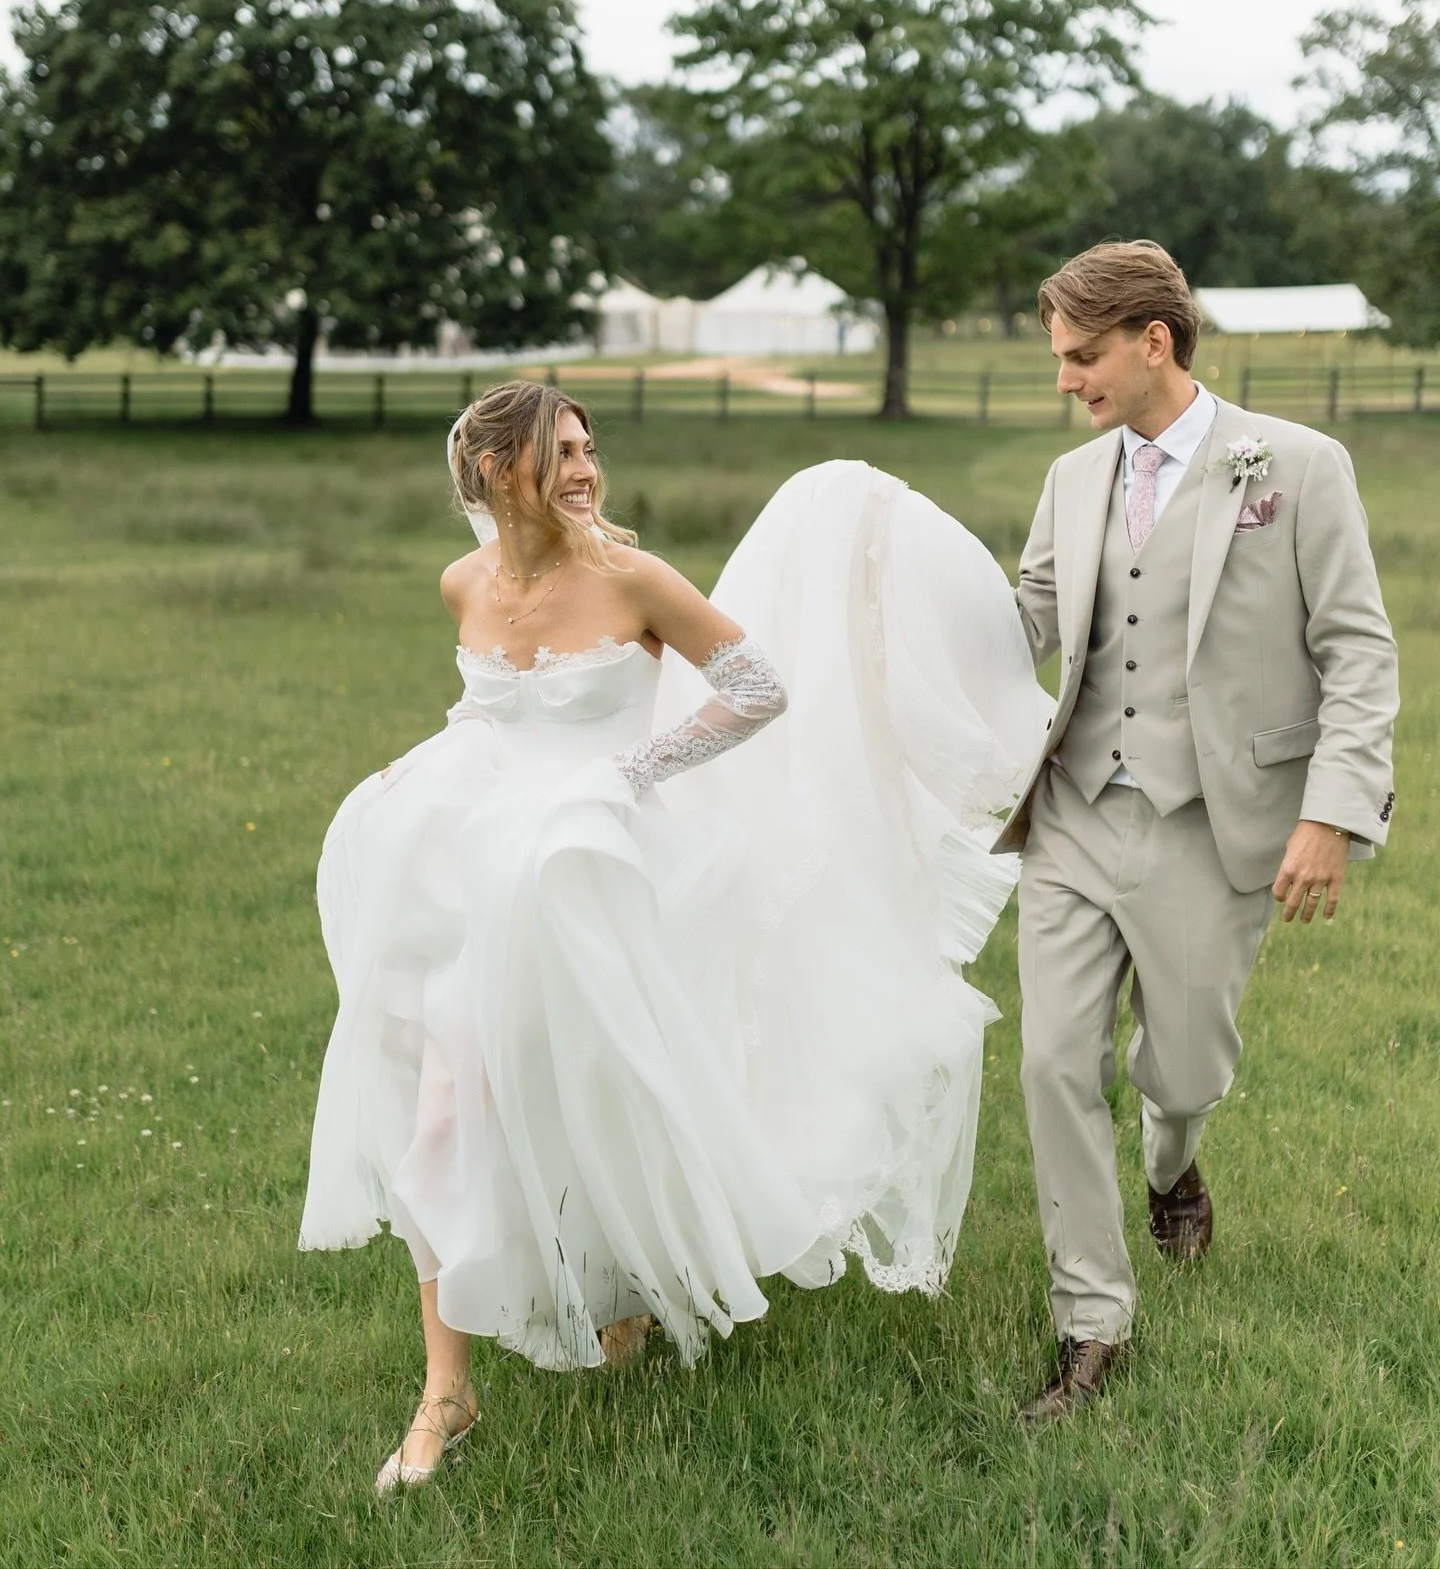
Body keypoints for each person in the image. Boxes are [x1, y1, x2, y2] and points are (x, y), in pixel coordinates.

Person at [299, 379, 1050, 1495]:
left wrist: (626, 774)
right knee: (443, 1096)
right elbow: (488, 708)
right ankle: (445, 1385)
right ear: (500, 470)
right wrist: (428, 759)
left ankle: (626, 1290)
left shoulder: (632, 578)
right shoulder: (462, 581)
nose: (589, 467)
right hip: (472, 859)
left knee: (597, 1086)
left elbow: (756, 687)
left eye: (591, 446)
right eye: (564, 450)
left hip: (598, 859)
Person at [994, 240, 1399, 1426]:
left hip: (1211, 818)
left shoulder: (1298, 467)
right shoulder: (1072, 478)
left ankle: (1173, 1159)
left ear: (1152, 341)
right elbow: (1023, 616)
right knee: (1055, 1061)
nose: (1067, 379)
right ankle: (1091, 1322)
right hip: (1070, 809)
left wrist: (1331, 809)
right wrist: (890, 605)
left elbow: (1359, 651)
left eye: (1081, 356)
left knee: (1179, 1069)